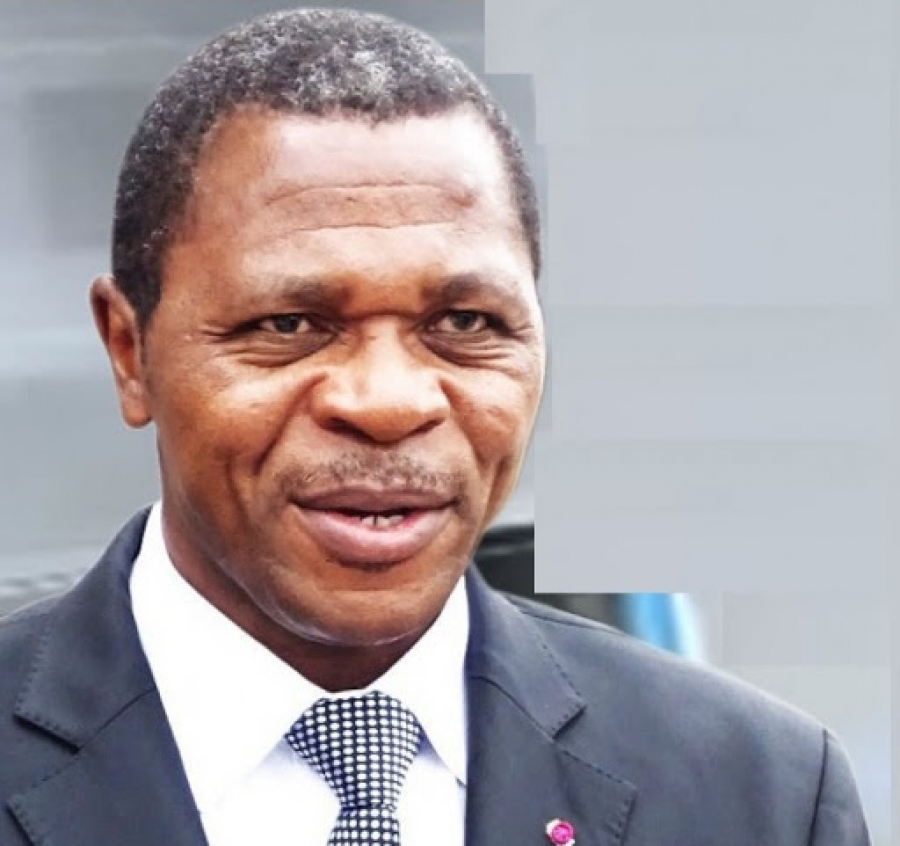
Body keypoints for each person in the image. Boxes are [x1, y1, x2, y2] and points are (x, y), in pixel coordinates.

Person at [0, 8, 870, 846]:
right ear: (129, 351)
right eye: (289, 325)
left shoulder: (760, 794)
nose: (389, 403)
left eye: (464, 323)